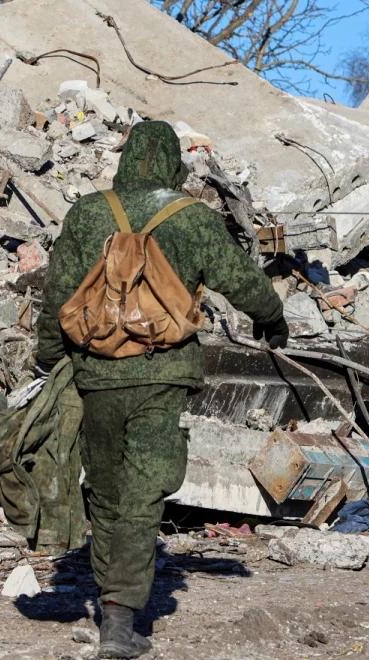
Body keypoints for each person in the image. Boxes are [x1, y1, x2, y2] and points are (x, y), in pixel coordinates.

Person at [34, 121, 287, 658]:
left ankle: (112, 607)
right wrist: (272, 317)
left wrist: (52, 358)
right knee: (145, 486)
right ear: (173, 163)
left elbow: (58, 293)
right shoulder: (192, 217)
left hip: (96, 372)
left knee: (104, 487)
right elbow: (238, 278)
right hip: (163, 370)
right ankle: (121, 618)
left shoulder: (88, 212)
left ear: (126, 160)